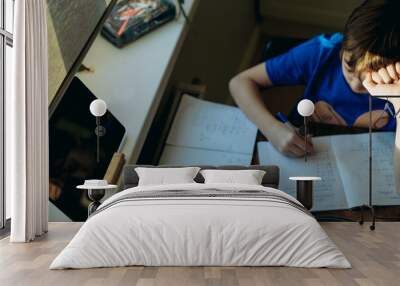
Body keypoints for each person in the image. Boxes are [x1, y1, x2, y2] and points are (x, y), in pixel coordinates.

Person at [229, 0, 400, 158]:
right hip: (303, 148)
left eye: (371, 79)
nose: (355, 85)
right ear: (343, 47)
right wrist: (271, 129)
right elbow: (240, 82)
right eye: (348, 67)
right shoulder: (322, 53)